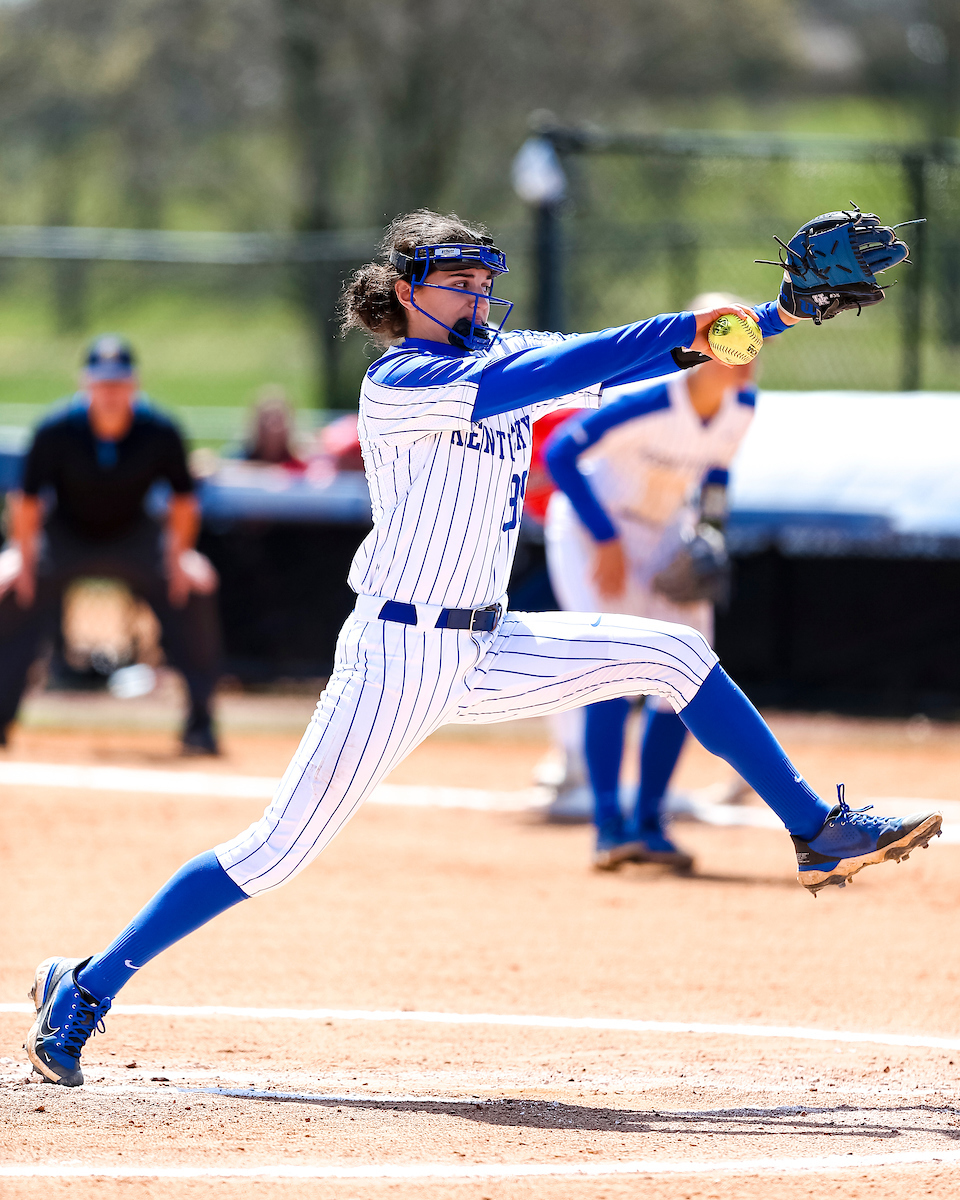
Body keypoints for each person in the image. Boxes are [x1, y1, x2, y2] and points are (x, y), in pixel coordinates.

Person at [25, 211, 941, 1089]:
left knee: (674, 653)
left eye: (483, 279)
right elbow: (580, 363)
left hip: (488, 643)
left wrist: (772, 316)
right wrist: (694, 326)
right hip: (394, 658)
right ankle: (88, 987)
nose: (476, 294)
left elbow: (635, 363)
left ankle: (817, 833)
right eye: (456, 280)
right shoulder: (400, 383)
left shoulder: (498, 355)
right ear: (405, 291)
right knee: (273, 855)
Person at [544, 293, 759, 870]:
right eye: (727, 337)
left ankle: (650, 822)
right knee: (612, 668)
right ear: (700, 347)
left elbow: (715, 472)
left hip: (665, 532)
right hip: (596, 528)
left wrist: (708, 532)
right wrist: (607, 540)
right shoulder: (650, 399)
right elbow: (561, 452)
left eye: (750, 338)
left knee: (690, 666)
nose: (745, 352)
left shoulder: (742, 407)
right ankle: (611, 829)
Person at [0, 335, 221, 755]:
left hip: (135, 533)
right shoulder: (55, 429)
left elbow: (183, 501)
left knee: (196, 588)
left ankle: (201, 724)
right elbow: (26, 502)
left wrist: (180, 558)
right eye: (102, 383)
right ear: (85, 385)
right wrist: (19, 558)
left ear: (134, 385)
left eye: (119, 382)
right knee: (10, 591)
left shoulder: (158, 429)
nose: (111, 392)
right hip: (64, 534)